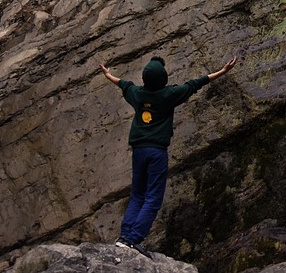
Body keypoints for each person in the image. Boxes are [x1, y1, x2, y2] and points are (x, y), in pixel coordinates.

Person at [98, 54, 238, 254]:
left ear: (145, 78)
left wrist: (107, 74)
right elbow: (195, 83)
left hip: (138, 150)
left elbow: (122, 84)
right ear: (163, 79)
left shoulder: (137, 93)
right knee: (153, 197)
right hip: (157, 152)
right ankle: (133, 239)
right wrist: (223, 71)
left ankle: (124, 237)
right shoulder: (169, 95)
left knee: (137, 194)